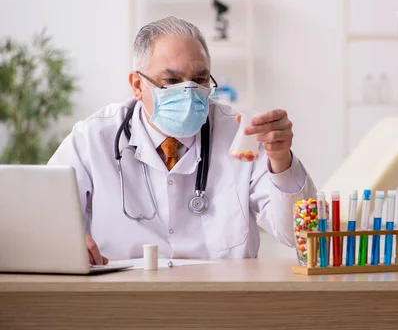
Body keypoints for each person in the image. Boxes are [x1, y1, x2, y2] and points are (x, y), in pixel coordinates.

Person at [48, 16, 317, 265]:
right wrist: (63, 241)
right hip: (123, 300)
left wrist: (280, 159)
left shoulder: (242, 134)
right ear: (137, 85)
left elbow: (298, 236)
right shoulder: (91, 139)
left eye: (199, 79)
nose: (189, 91)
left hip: (222, 300)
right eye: (171, 80)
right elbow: (43, 217)